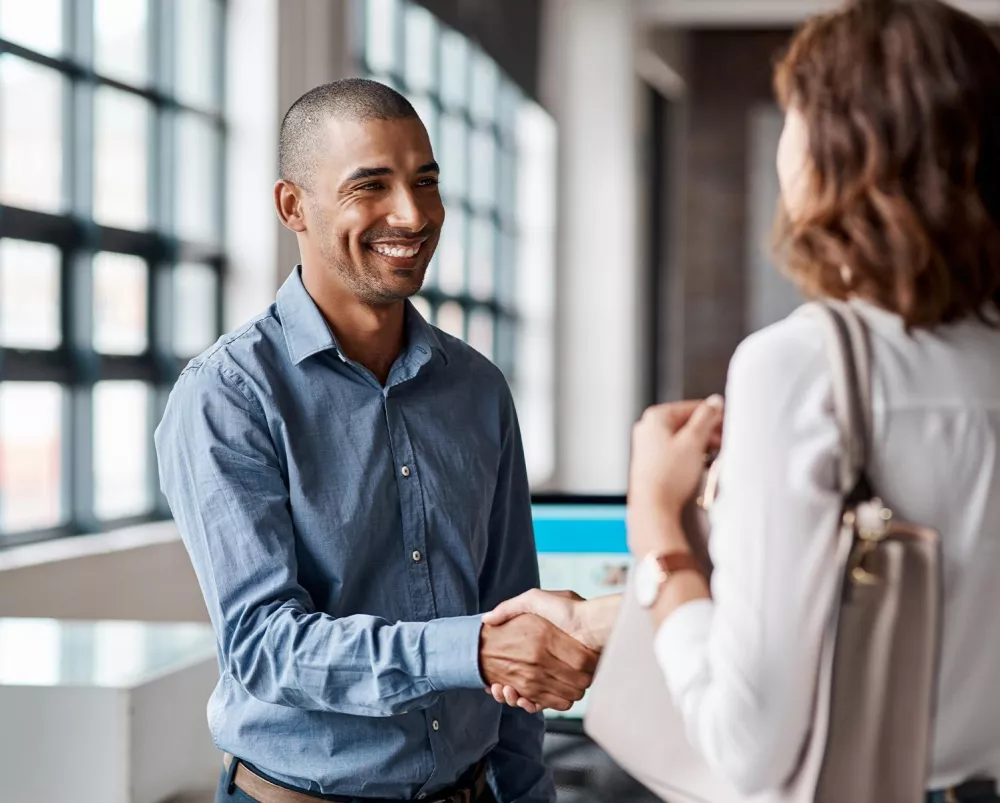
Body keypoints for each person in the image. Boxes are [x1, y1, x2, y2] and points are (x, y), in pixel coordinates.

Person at [485, 0, 1000, 799]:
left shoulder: (801, 366)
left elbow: (745, 743)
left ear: (839, 150)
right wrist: (595, 621)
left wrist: (657, 513)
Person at [155, 78, 598, 803]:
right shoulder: (226, 396)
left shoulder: (479, 390)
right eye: (373, 185)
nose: (413, 213)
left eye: (426, 182)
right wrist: (472, 650)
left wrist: (526, 790)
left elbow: (516, 614)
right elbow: (265, 646)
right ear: (293, 205)